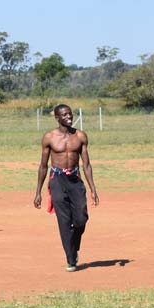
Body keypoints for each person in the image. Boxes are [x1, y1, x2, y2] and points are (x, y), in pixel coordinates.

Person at [33, 104, 99, 272]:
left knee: (81, 219)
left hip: (75, 180)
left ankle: (74, 244)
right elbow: (43, 166)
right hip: (57, 180)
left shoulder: (80, 136)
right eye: (65, 115)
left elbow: (87, 164)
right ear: (57, 117)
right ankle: (71, 258)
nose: (69, 117)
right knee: (64, 220)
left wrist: (93, 189)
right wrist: (38, 192)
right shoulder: (49, 137)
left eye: (70, 114)